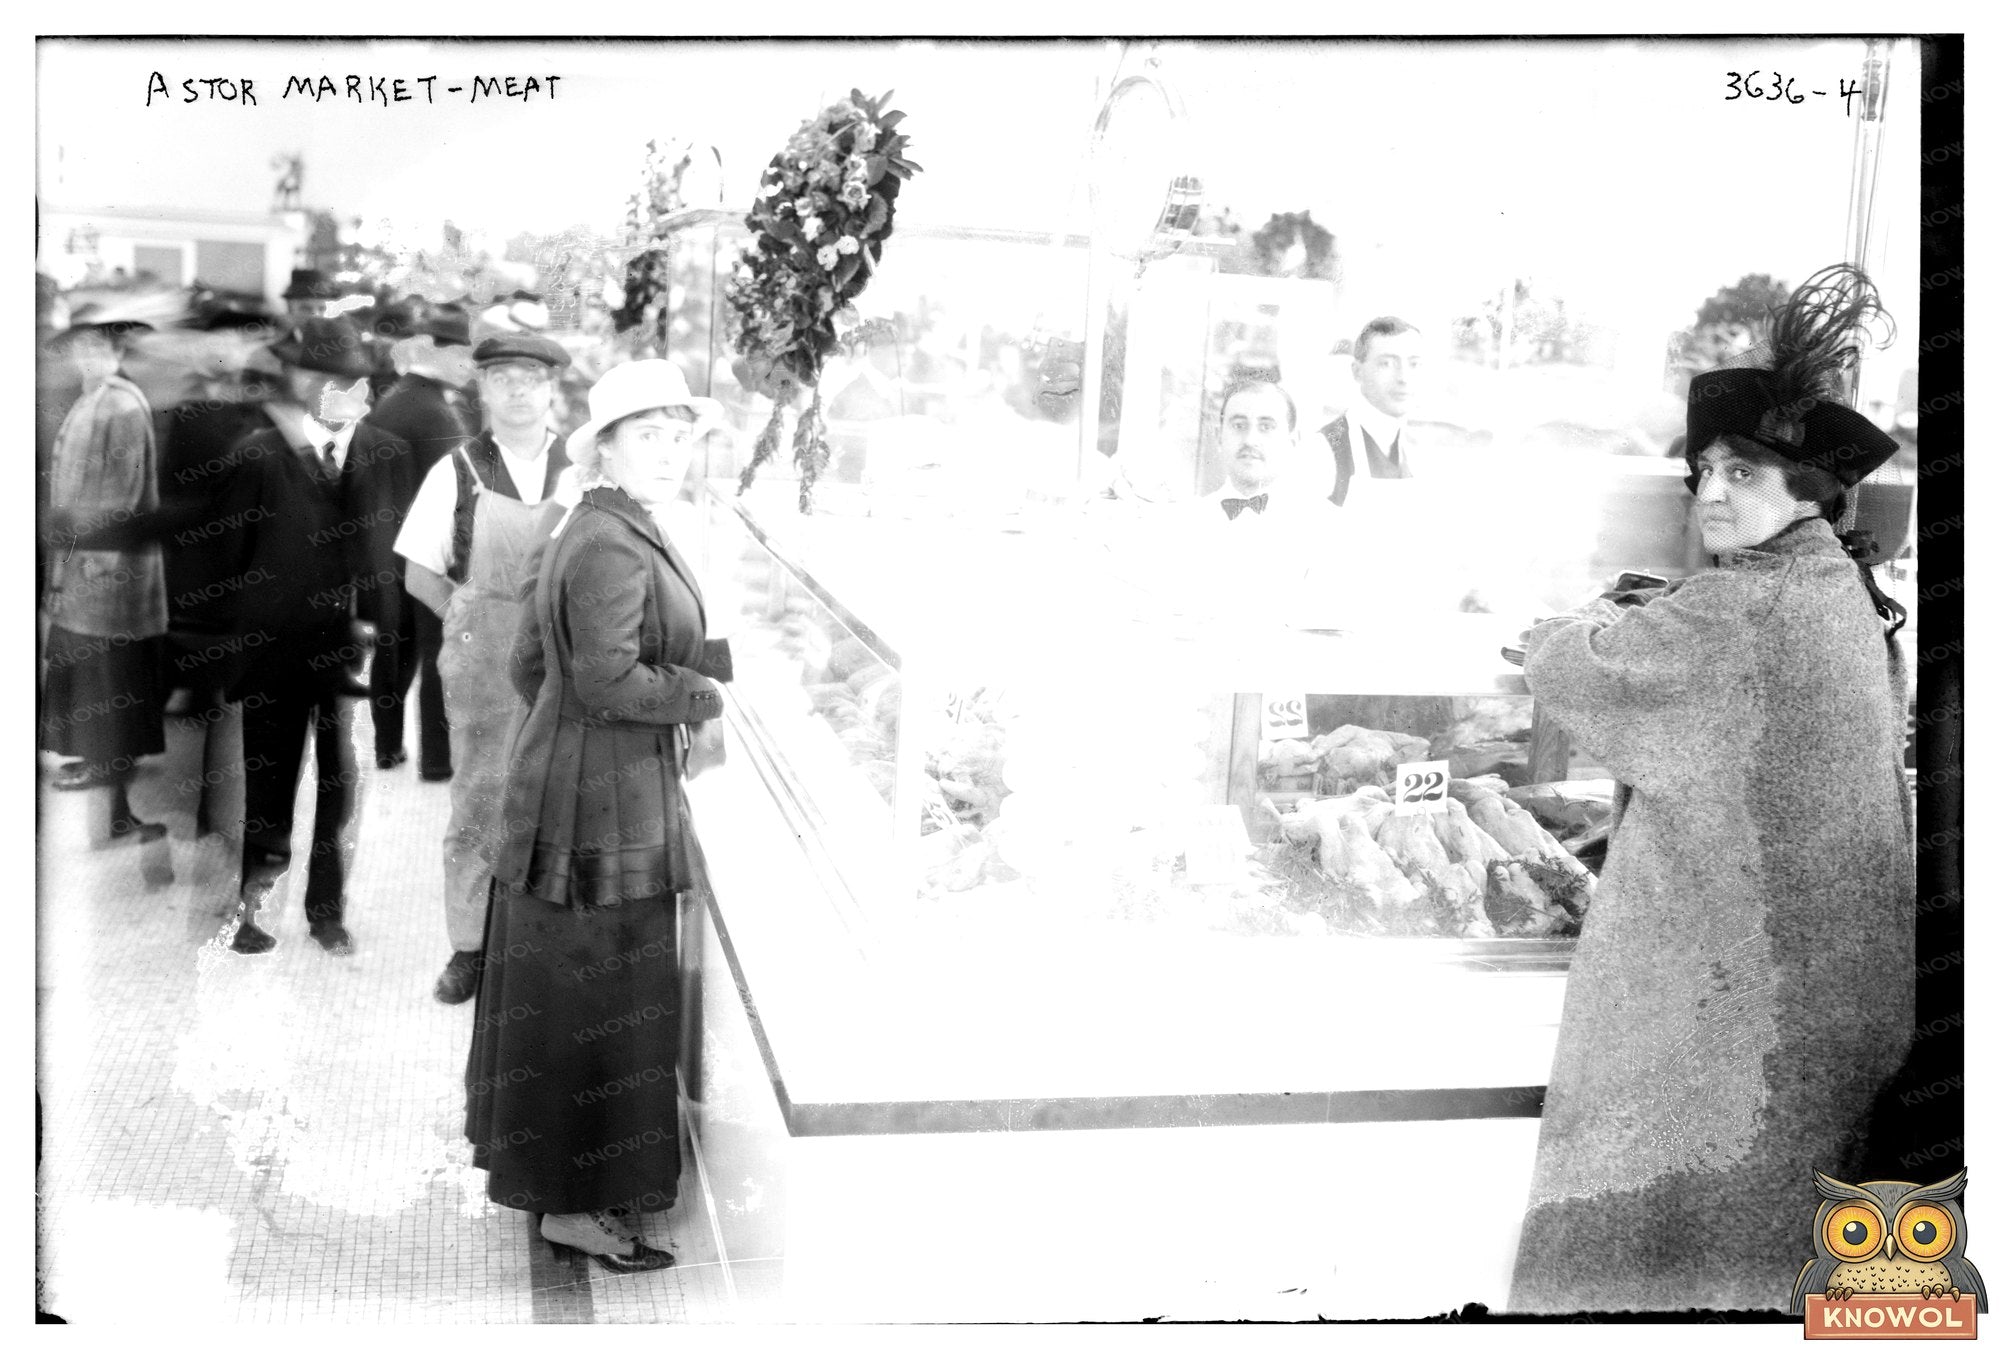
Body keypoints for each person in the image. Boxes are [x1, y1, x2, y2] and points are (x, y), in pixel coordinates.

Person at [1508, 265, 1914, 1313]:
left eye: (1741, 474)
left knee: (1673, 1268)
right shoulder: (1828, 588)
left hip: (1745, 1022)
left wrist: (1550, 630)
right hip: (1824, 1004)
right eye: (1702, 473)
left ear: (1807, 492)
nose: (1709, 494)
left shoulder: (1748, 613)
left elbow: (1578, 670)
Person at [465, 358, 730, 1271]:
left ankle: (561, 1189)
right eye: (648, 434)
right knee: (599, 997)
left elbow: (532, 665)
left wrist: (564, 731)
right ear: (606, 443)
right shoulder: (613, 539)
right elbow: (606, 677)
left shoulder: (593, 520)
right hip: (602, 807)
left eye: (679, 435)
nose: (669, 451)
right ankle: (576, 1207)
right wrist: (698, 692)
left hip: (571, 789)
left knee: (564, 999)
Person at [218, 317, 414, 956]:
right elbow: (227, 561)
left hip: (352, 656)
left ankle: (327, 912)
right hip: (274, 651)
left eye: (353, 380)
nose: (338, 390)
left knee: (341, 785)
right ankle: (254, 905)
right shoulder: (257, 454)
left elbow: (399, 556)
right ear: (300, 381)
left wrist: (389, 643)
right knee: (268, 781)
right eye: (324, 377)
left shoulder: (388, 453)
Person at [395, 332, 578, 1003]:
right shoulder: (459, 470)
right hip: (485, 666)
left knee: (560, 796)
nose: (519, 391)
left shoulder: (581, 470)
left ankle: (546, 942)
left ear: (551, 387)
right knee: (480, 800)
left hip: (565, 659)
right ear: (483, 389)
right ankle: (469, 945)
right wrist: (468, 623)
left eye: (532, 377)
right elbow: (418, 571)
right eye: (504, 378)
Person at [39, 320, 170, 842]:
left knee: (110, 682)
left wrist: (97, 565)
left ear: (116, 350)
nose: (85, 358)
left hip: (107, 575)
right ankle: (97, 762)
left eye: (96, 348)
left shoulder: (119, 404)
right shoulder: (91, 399)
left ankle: (115, 795)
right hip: (82, 566)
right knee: (91, 677)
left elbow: (120, 494)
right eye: (79, 349)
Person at [362, 302, 476, 776]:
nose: (470, 368)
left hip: (385, 544)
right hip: (426, 549)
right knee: (438, 652)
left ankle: (388, 747)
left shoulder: (398, 398)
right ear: (442, 356)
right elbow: (459, 492)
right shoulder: (437, 415)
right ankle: (438, 759)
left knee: (395, 649)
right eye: (465, 357)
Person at [1317, 316, 1424, 505]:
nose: (1404, 378)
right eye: (1387, 363)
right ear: (1357, 372)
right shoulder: (1323, 450)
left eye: (1413, 364)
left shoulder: (1417, 450)